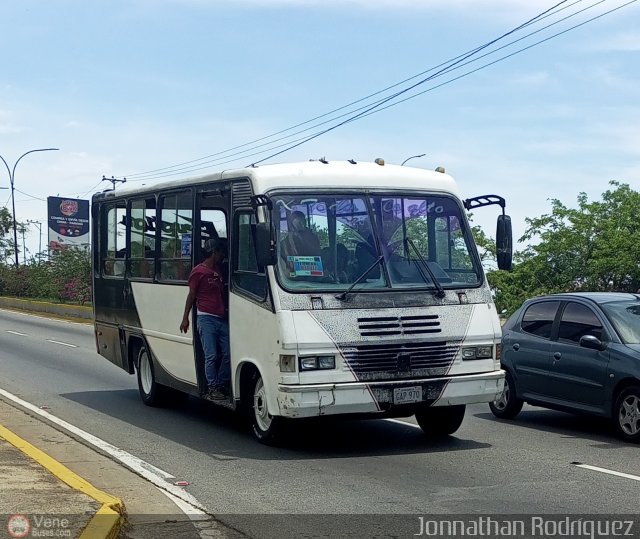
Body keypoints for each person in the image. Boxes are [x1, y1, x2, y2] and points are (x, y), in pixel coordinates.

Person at [180, 238, 230, 401]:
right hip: (206, 318)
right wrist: (185, 318)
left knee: (229, 353)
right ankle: (212, 387)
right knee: (211, 355)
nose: (222, 256)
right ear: (214, 252)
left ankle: (221, 383)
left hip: (221, 319)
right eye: (220, 253)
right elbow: (191, 296)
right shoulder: (198, 272)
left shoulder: (218, 271)